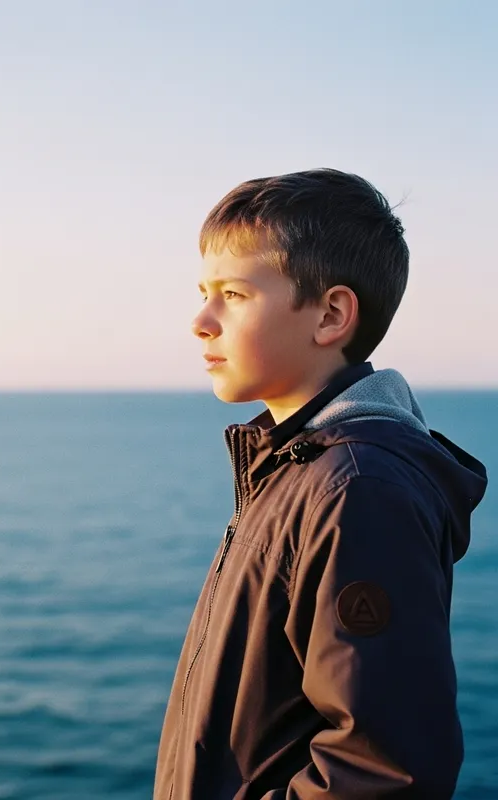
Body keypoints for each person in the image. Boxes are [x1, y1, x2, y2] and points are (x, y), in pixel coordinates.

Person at [152, 169, 488, 799]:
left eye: (234, 294)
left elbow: (383, 769)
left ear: (331, 314)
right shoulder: (295, 466)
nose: (201, 319)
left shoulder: (357, 490)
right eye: (204, 291)